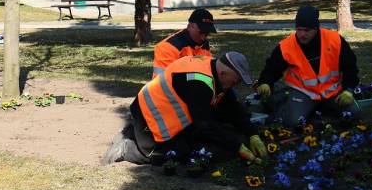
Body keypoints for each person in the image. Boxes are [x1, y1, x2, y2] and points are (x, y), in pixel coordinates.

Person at [103, 53, 268, 165]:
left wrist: (252, 134)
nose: (236, 84)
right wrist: (236, 145)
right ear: (224, 73)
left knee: (199, 141)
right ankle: (127, 147)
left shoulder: (214, 71)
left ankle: (133, 133)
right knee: (174, 155)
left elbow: (232, 107)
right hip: (149, 117)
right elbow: (205, 124)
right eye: (236, 80)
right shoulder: (198, 82)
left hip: (165, 116)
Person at [255, 5, 360, 128]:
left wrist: (348, 90)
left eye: (307, 30)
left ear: (316, 29)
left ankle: (317, 108)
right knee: (293, 123)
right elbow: (272, 67)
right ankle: (279, 100)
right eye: (299, 29)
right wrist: (265, 82)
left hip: (331, 91)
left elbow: (351, 67)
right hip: (303, 92)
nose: (302, 34)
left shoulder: (335, 40)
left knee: (354, 114)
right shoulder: (286, 46)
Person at [152, 8, 216, 78]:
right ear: (189, 26)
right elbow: (166, 80)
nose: (204, 37)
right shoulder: (167, 47)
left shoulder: (203, 44)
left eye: (207, 33)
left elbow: (209, 69)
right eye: (201, 32)